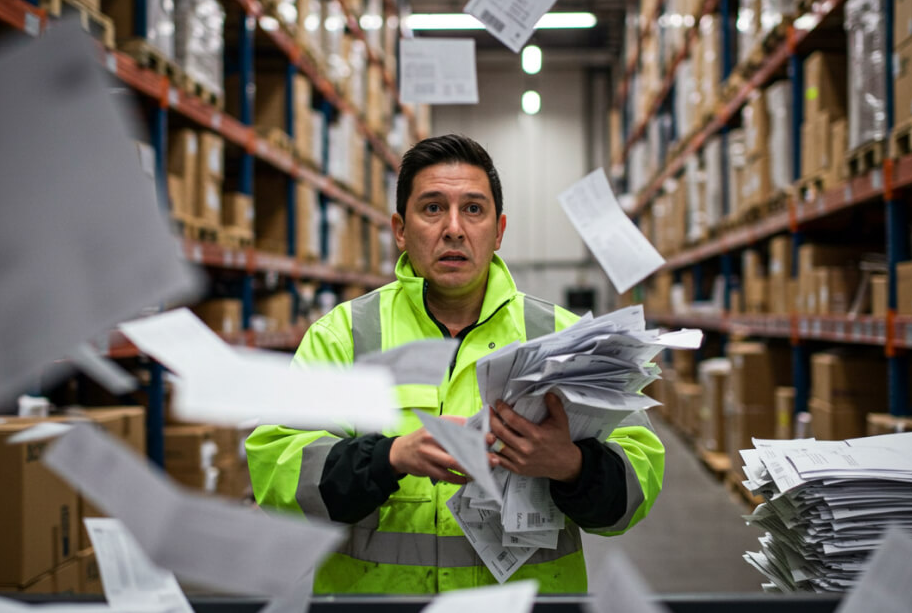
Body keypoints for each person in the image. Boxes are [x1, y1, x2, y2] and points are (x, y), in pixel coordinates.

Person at [245, 134, 664, 594]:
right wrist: (389, 458)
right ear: (400, 229)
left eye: (473, 209)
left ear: (499, 230)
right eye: (431, 208)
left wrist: (571, 465)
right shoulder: (344, 335)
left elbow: (637, 482)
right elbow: (276, 470)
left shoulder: (564, 337)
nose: (454, 228)